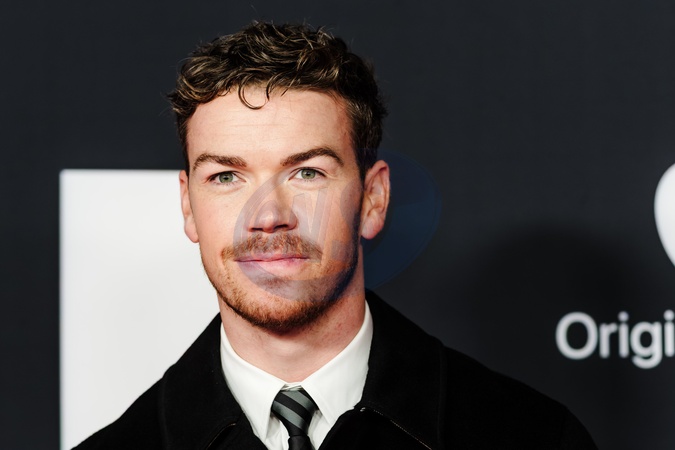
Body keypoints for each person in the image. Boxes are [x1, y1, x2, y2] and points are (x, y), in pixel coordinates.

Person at [74, 22, 597, 449]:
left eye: (307, 173)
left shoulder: (533, 438)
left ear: (373, 199)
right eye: (227, 177)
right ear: (188, 206)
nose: (267, 216)